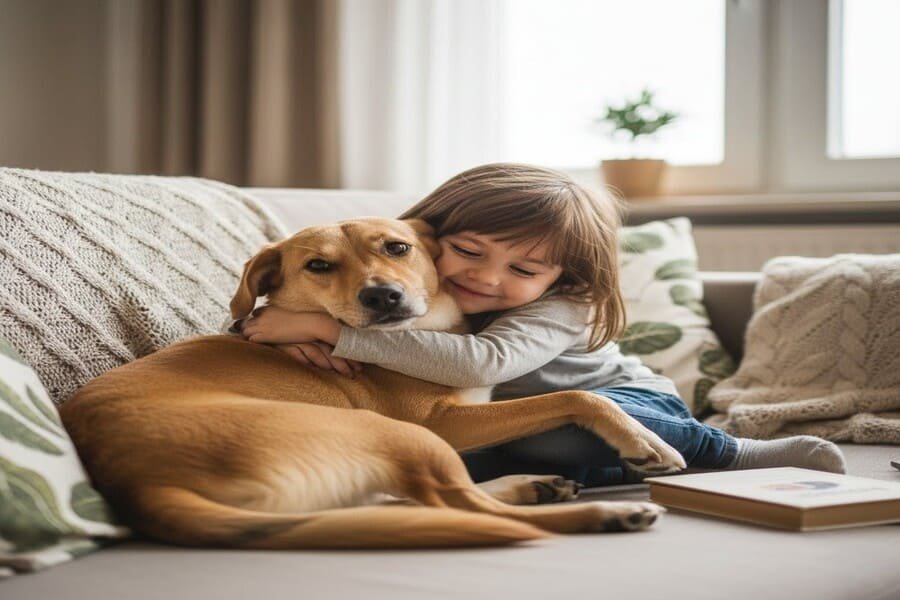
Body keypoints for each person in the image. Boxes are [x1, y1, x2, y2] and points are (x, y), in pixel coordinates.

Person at [240, 162, 845, 485]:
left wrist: (327, 333)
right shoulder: (415, 282)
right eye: (470, 251)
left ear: (561, 274)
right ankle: (611, 475)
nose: (489, 279)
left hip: (627, 402)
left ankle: (729, 450)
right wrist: (287, 322)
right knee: (489, 455)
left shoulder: (563, 304)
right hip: (512, 426)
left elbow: (483, 364)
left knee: (553, 439)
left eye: (524, 267)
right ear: (431, 237)